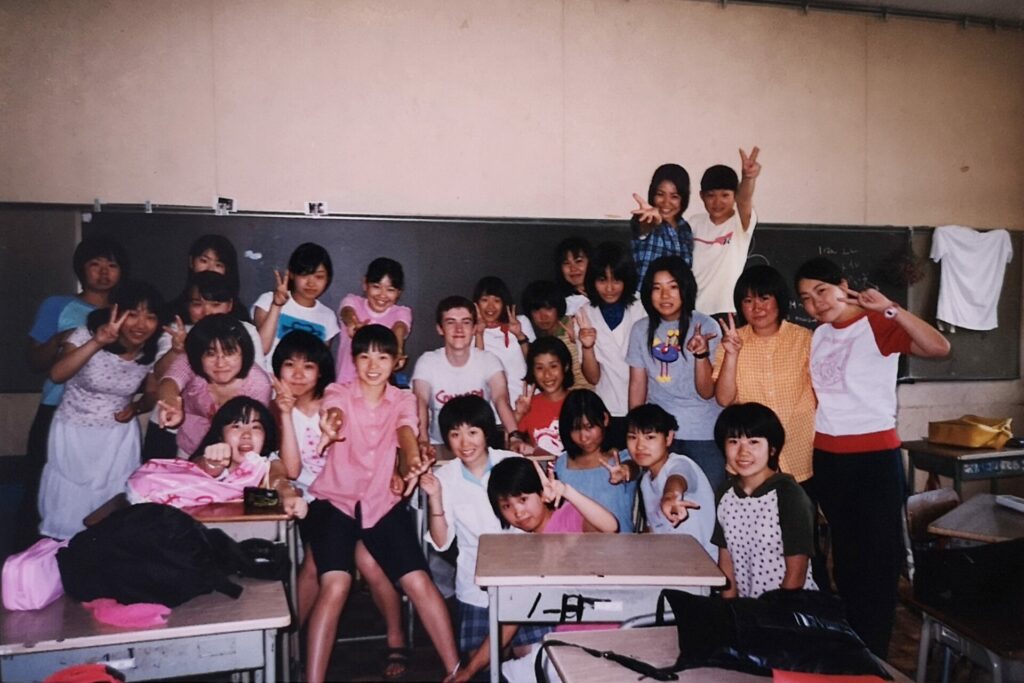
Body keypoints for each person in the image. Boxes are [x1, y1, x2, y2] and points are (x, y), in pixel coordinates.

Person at [795, 256, 950, 657]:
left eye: (822, 291)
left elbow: (939, 347)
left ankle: (875, 653)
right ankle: (853, 642)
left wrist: (889, 308)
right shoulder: (820, 334)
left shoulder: (877, 323)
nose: (816, 304)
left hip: (873, 460)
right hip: (829, 459)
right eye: (806, 299)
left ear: (843, 285)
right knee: (845, 558)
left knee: (878, 561)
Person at [303, 324, 459, 683]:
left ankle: (456, 672)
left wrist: (408, 464)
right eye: (364, 356)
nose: (373, 365)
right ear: (353, 359)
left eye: (383, 356)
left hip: (381, 502)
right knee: (336, 583)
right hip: (336, 502)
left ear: (396, 361)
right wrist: (331, 426)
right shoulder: (337, 390)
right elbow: (334, 412)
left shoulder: (404, 399)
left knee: (419, 580)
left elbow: (406, 433)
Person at [271, 331, 410, 680]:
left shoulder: (340, 398)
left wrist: (396, 468)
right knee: (316, 566)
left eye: (309, 366)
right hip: (310, 500)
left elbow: (381, 440)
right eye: (289, 365)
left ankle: (396, 636)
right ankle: (290, 640)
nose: (299, 374)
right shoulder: (277, 408)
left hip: (355, 497)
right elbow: (290, 470)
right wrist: (285, 414)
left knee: (369, 561)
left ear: (323, 371)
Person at [454, 456, 618, 682]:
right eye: (506, 506)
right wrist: (469, 670)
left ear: (542, 493)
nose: (518, 512)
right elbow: (510, 619)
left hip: (602, 637)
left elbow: (609, 527)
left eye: (523, 499)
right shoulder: (526, 550)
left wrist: (566, 491)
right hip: (564, 642)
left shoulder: (570, 516)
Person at [418, 396, 548, 664]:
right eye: (455, 434)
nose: (465, 443)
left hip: (524, 575)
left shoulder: (511, 461)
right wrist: (435, 498)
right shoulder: (445, 477)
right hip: (475, 583)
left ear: (487, 432)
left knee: (530, 655)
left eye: (472, 432)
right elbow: (441, 543)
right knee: (481, 660)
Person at [37, 281, 166, 540]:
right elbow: (57, 374)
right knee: (69, 506)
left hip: (117, 439)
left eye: (150, 317)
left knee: (112, 511)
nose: (141, 324)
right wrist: (97, 342)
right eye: (133, 314)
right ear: (116, 312)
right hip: (74, 430)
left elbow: (152, 393)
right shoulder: (88, 332)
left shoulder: (154, 347)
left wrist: (137, 406)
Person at [22, 237, 127, 548]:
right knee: (43, 489)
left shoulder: (127, 313)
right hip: (56, 409)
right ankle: (31, 560)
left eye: (112, 265)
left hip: (105, 420)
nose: (104, 272)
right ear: (81, 268)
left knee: (102, 494)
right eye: (95, 264)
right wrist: (62, 339)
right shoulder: (57, 305)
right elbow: (34, 361)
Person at [626, 255, 725, 491]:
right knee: (663, 508)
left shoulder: (706, 326)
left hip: (704, 434)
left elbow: (707, 392)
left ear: (686, 289)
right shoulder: (640, 330)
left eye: (673, 287)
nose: (665, 295)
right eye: (657, 288)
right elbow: (637, 385)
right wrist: (636, 431)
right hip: (659, 436)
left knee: (706, 505)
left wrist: (701, 355)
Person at [143, 270, 265, 460]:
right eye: (198, 304)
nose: (220, 361)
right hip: (185, 438)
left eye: (215, 304)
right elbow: (168, 378)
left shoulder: (245, 336)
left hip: (234, 444)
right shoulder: (181, 335)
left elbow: (257, 413)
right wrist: (171, 402)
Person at [712, 265, 816, 486]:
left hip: (799, 449)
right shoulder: (731, 341)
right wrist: (732, 354)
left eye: (764, 298)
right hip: (749, 456)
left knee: (799, 517)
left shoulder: (805, 339)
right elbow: (723, 399)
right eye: (748, 301)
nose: (757, 307)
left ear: (779, 299)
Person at [126, 396, 306, 518]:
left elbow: (278, 480)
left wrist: (289, 496)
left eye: (256, 427)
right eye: (236, 426)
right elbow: (200, 468)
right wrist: (211, 464)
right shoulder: (213, 456)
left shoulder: (266, 464)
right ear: (220, 435)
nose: (246, 435)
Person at [712, 402, 817, 599]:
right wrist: (730, 612)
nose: (743, 452)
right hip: (747, 612)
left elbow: (797, 573)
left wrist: (774, 618)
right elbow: (725, 559)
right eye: (734, 442)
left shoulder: (788, 494)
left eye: (754, 442)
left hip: (786, 612)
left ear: (772, 449)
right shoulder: (725, 493)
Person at [157, 314, 272, 457]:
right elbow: (170, 381)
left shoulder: (259, 384)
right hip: (189, 448)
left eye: (229, 353)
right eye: (210, 354)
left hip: (237, 455)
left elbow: (257, 430)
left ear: (244, 352)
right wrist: (171, 403)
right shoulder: (190, 362)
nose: (220, 363)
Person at [412, 296, 517, 451]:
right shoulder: (427, 362)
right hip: (439, 447)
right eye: (451, 322)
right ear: (440, 328)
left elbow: (501, 400)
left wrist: (515, 437)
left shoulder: (489, 360)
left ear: (474, 328)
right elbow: (420, 402)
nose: (459, 329)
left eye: (466, 322)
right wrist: (422, 441)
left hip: (480, 448)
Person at [575, 241, 647, 447]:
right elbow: (593, 377)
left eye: (616, 279)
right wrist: (587, 346)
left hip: (645, 408)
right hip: (608, 411)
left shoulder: (642, 309)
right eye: (601, 280)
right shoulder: (585, 314)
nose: (609, 288)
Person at [624, 404, 716, 560]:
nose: (639, 446)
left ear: (669, 438)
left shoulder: (681, 463)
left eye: (650, 437)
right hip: (668, 563)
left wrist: (670, 496)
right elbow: (654, 530)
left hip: (698, 567)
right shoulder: (646, 482)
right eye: (633, 437)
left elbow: (677, 478)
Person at [553, 389, 638, 533]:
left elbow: (635, 469)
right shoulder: (562, 463)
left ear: (604, 419)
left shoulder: (622, 458)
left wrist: (625, 470)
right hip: (575, 549)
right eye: (575, 429)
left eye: (589, 427)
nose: (583, 437)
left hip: (620, 549)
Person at [691, 148, 761, 316]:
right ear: (701, 196)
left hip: (729, 311)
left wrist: (747, 178)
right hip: (694, 311)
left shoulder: (740, 222)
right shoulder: (694, 222)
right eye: (711, 195)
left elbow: (745, 199)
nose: (717, 202)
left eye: (725, 195)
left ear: (734, 196)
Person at [252, 242, 339, 359]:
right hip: (266, 376)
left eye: (319, 277)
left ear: (327, 279)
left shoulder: (328, 316)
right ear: (292, 274)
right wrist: (276, 305)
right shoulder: (268, 301)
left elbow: (320, 364)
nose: (311, 283)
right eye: (304, 275)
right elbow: (260, 350)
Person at [336, 257, 412, 383]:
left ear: (399, 292)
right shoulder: (352, 301)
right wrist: (352, 323)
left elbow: (400, 327)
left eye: (390, 290)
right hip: (345, 387)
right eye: (376, 286)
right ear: (365, 284)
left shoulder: (402, 312)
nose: (382, 295)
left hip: (379, 393)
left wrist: (397, 349)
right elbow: (346, 312)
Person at [629, 163, 693, 287]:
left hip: (675, 302)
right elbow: (642, 227)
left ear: (683, 199)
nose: (666, 202)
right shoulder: (646, 219)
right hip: (643, 302)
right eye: (660, 194)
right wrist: (650, 221)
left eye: (674, 196)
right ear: (652, 194)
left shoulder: (685, 229)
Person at [472, 276, 533, 406]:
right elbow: (478, 371)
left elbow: (535, 363)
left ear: (504, 303)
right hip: (496, 409)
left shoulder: (521, 322)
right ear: (476, 303)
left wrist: (519, 335)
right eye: (484, 300)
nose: (490, 306)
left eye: (496, 300)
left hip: (528, 402)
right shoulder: (472, 331)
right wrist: (479, 333)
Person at [521, 280, 592, 391]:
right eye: (536, 310)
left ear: (558, 307)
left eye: (548, 309)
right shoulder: (542, 340)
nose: (543, 316)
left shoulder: (576, 326)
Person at [511, 336, 573, 456]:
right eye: (540, 368)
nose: (547, 374)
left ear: (565, 366)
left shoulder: (579, 402)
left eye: (553, 366)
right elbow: (507, 444)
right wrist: (519, 414)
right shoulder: (529, 405)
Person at [166, 234, 244, 320]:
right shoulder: (173, 311)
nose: (210, 269)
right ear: (191, 262)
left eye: (218, 265)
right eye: (204, 261)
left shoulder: (239, 314)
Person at [553, 236, 592, 316]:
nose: (573, 269)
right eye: (566, 263)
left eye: (578, 261)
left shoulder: (608, 295)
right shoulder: (558, 302)